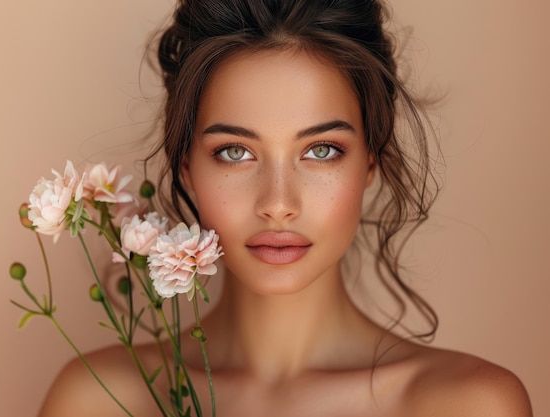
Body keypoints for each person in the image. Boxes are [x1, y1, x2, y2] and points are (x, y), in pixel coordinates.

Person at [38, 0, 532, 415]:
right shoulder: (99, 399)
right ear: (186, 165)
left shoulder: (466, 403)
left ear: (370, 162)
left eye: (321, 151)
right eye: (235, 151)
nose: (278, 204)